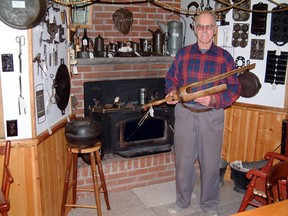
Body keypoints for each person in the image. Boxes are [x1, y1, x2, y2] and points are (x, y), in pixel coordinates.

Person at [165, 12, 241, 216]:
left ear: (215, 30)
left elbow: (235, 89)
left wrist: (215, 100)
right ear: (195, 28)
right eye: (200, 26)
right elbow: (171, 79)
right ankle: (182, 201)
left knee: (210, 163)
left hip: (211, 115)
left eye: (209, 27)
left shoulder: (224, 58)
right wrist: (171, 92)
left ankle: (209, 205)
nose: (205, 31)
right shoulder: (183, 54)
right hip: (185, 114)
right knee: (183, 161)